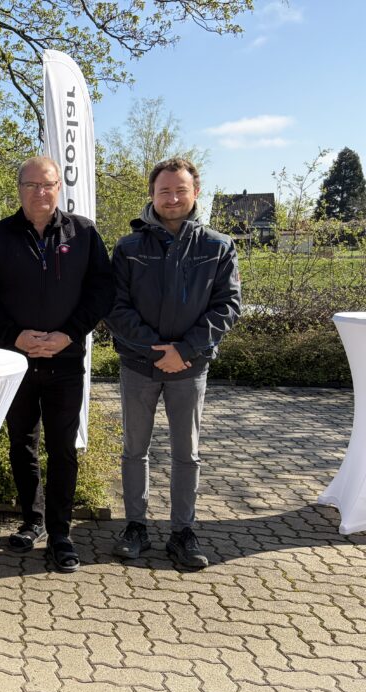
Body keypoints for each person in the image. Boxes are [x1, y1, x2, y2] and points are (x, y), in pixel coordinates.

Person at [0, 157, 113, 572]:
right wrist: (13, 334)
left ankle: (61, 533)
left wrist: (69, 333)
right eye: (31, 185)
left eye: (47, 184)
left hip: (65, 361)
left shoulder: (84, 233)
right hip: (14, 362)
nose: (40, 192)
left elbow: (102, 291)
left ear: (58, 188)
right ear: (19, 189)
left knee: (63, 449)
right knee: (21, 443)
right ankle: (32, 521)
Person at [105, 157, 241, 568]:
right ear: (152, 195)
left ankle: (183, 532)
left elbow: (227, 306)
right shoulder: (128, 247)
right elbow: (115, 306)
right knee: (135, 450)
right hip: (138, 365)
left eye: (181, 190)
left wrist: (184, 350)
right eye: (164, 190)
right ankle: (136, 527)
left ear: (195, 192)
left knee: (187, 453)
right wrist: (155, 349)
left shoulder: (218, 246)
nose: (173, 198)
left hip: (190, 367)